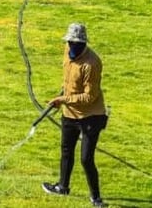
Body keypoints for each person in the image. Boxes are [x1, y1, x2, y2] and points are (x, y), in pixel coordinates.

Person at [41, 22, 109, 208]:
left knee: (86, 158)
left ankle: (96, 198)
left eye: (76, 43)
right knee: (66, 150)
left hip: (91, 116)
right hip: (69, 113)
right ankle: (63, 187)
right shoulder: (67, 50)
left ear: (83, 43)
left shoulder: (92, 64)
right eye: (70, 42)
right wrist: (63, 96)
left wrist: (63, 99)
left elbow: (89, 96)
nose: (72, 46)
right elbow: (68, 78)